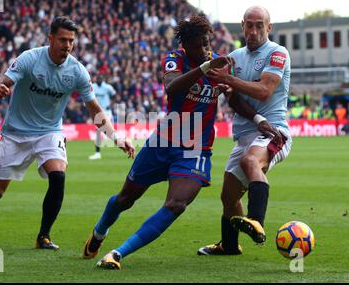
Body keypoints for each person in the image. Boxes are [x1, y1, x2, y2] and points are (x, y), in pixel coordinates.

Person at [82, 14, 280, 269]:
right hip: (163, 142)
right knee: (125, 199)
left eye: (207, 43)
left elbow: (232, 100)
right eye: (199, 45)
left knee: (176, 204)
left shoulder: (216, 63)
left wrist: (256, 117)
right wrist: (205, 69)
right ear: (185, 45)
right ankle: (99, 233)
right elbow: (171, 87)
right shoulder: (176, 59)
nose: (205, 49)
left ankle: (118, 253)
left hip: (195, 149)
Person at [0, 16, 135, 250]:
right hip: (16, 133)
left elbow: (95, 110)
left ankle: (43, 236)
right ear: (50, 38)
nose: (67, 45)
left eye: (71, 41)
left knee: (58, 176)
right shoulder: (29, 59)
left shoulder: (77, 71)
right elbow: (0, 86)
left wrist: (116, 137)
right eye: (62, 39)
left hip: (49, 132)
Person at [198, 6, 293, 256]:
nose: (253, 30)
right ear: (242, 26)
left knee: (251, 161)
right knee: (228, 196)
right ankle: (229, 246)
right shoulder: (234, 57)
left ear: (269, 28)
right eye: (249, 25)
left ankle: (257, 221)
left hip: (274, 131)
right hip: (247, 132)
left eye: (259, 25)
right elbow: (235, 101)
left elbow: (264, 90)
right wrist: (255, 114)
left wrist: (228, 80)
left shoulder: (277, 53)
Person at [89, 74, 116, 160]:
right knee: (98, 131)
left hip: (107, 111)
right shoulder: (93, 87)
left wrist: (111, 104)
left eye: (100, 78)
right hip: (98, 112)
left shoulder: (108, 87)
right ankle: (97, 153)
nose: (99, 80)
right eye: (98, 78)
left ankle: (120, 144)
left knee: (109, 131)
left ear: (103, 79)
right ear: (96, 79)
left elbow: (114, 95)